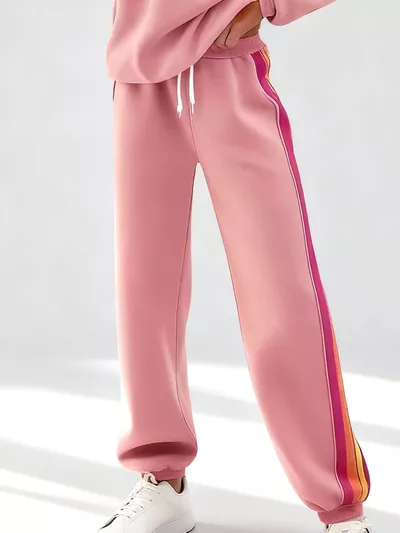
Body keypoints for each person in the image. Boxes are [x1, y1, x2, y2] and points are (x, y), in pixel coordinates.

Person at [99, 1, 372, 532]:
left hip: (230, 70)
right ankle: (162, 480)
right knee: (145, 294)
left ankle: (339, 508)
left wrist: (265, 4)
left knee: (280, 293)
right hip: (139, 75)